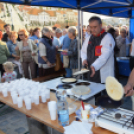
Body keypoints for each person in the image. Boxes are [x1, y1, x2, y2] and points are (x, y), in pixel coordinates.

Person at [81, 16, 115, 83]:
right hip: (91, 72)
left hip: (104, 74)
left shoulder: (108, 37)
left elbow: (104, 56)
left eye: (95, 27)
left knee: (105, 92)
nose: (93, 29)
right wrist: (84, 59)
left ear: (100, 25)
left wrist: (94, 66)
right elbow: (83, 51)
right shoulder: (89, 38)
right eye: (91, 27)